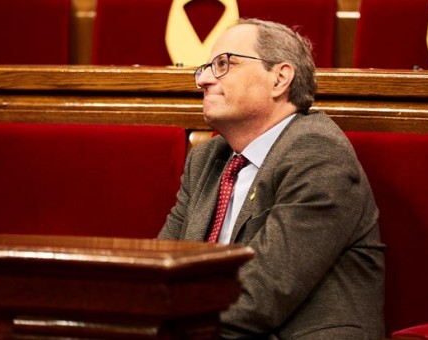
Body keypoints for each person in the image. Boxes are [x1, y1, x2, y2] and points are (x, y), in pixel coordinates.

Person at [158, 18, 384, 339]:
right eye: (206, 68)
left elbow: (261, 296)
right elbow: (160, 267)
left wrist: (163, 324)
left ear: (279, 79)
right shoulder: (207, 159)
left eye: (223, 64)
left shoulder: (318, 154)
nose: (204, 80)